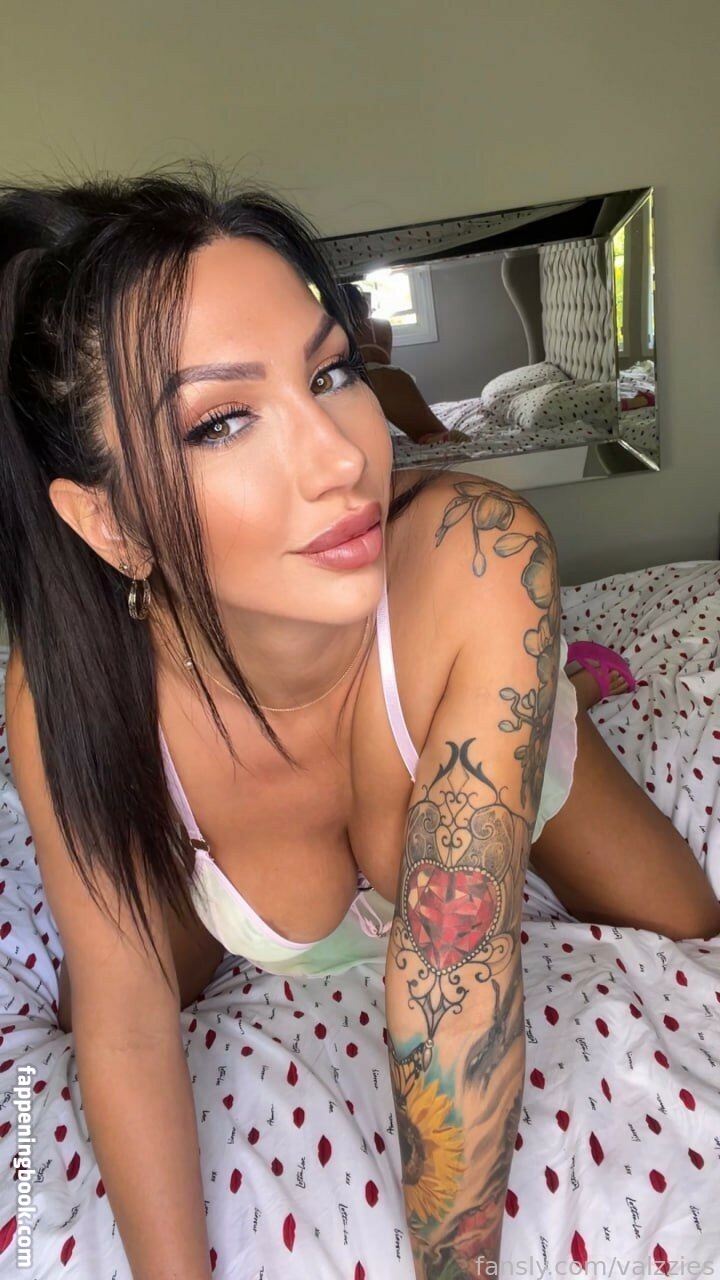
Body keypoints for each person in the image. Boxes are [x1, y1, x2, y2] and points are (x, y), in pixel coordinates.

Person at [0, 166, 717, 1280]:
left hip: (455, 687)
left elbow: (454, 978)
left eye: (331, 372)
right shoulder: (69, 702)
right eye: (222, 420)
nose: (346, 455)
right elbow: (128, 1019)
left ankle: (545, 694)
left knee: (687, 917)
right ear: (106, 523)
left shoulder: (483, 552)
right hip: (206, 766)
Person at [341, 281, 471, 446]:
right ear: (362, 303)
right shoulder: (382, 325)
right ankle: (435, 436)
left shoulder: (337, 329)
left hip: (355, 382)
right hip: (387, 377)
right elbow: (384, 359)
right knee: (431, 430)